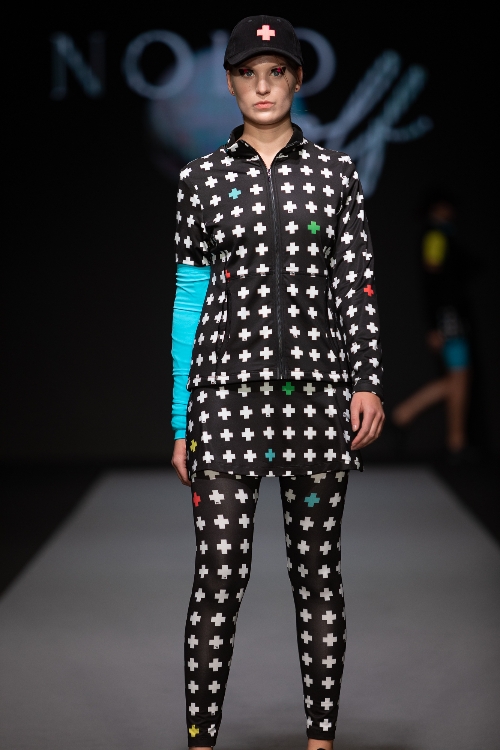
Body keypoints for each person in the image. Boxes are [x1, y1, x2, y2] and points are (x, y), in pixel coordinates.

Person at [170, 16, 385, 749]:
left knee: (317, 574)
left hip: (319, 398)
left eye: (276, 71)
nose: (262, 86)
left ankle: (320, 744)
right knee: (219, 576)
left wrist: (367, 381)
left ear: (296, 79)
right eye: (248, 73)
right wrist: (180, 419)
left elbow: (355, 285)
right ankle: (201, 742)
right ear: (231, 83)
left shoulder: (337, 175)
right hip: (223, 400)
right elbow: (189, 299)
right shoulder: (200, 180)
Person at [392, 195, 471, 460]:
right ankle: (454, 441)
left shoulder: (443, 235)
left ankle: (410, 417)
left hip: (450, 315)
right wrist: (435, 323)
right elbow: (432, 281)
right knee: (458, 378)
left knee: (458, 380)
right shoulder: (436, 236)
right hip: (447, 316)